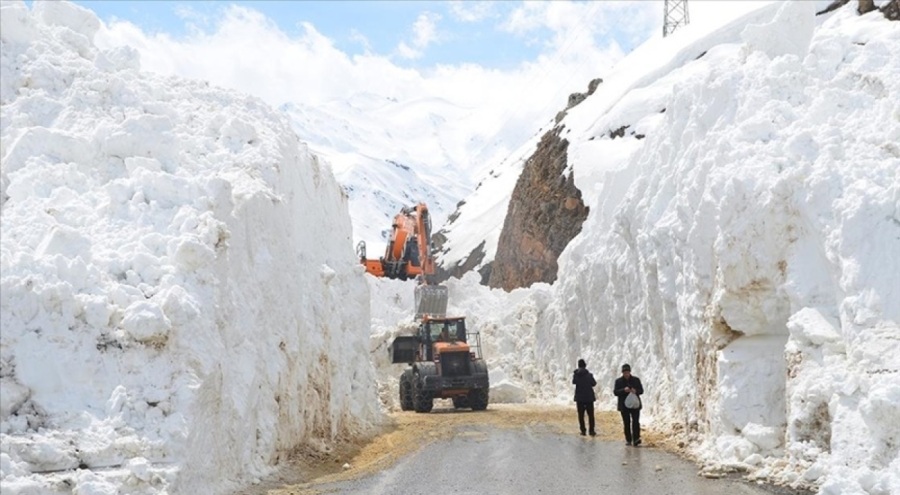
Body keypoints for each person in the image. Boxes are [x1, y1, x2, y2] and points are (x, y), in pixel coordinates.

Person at [614, 363, 644, 446]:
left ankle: (636, 438)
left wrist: (636, 391)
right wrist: (624, 390)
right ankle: (628, 439)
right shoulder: (618, 381)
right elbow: (615, 392)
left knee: (636, 422)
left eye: (627, 372)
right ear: (622, 373)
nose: (626, 374)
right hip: (624, 406)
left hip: (635, 405)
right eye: (624, 372)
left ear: (630, 372)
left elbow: (641, 390)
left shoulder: (636, 380)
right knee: (626, 422)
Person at [572, 358, 597, 436]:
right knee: (591, 415)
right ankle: (591, 431)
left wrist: (575, 373)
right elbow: (594, 383)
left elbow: (573, 382)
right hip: (589, 398)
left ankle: (583, 431)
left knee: (581, 415)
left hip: (580, 398)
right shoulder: (589, 375)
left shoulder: (576, 375)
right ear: (585, 366)